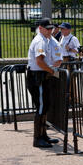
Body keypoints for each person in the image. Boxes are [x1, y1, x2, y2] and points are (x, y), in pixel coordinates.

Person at [26, 18, 61, 148]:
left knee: (45, 105)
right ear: (40, 28)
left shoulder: (47, 40)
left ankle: (43, 134)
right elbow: (40, 61)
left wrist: (50, 70)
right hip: (37, 76)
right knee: (41, 107)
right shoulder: (39, 41)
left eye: (51, 28)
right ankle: (37, 138)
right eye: (47, 28)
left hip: (43, 74)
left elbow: (57, 58)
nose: (50, 30)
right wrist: (51, 70)